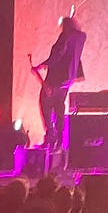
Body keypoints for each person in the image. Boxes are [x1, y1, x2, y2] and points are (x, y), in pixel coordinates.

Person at [32, 14, 86, 149]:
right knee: (59, 108)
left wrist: (43, 64)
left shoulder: (66, 36)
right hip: (68, 79)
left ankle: (50, 137)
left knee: (45, 104)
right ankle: (60, 140)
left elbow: (58, 54)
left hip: (56, 78)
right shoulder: (81, 37)